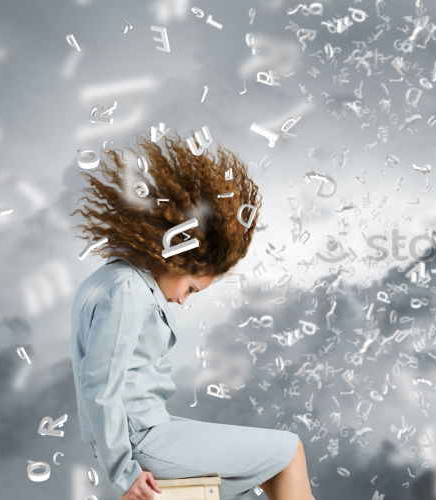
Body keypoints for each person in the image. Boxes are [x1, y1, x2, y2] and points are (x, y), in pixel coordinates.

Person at [68, 131, 313, 500]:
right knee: (288, 451)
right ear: (179, 258)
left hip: (147, 431)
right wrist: (124, 472)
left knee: (261, 476)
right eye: (192, 289)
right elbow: (99, 388)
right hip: (142, 439)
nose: (183, 301)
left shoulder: (106, 280)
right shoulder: (127, 290)